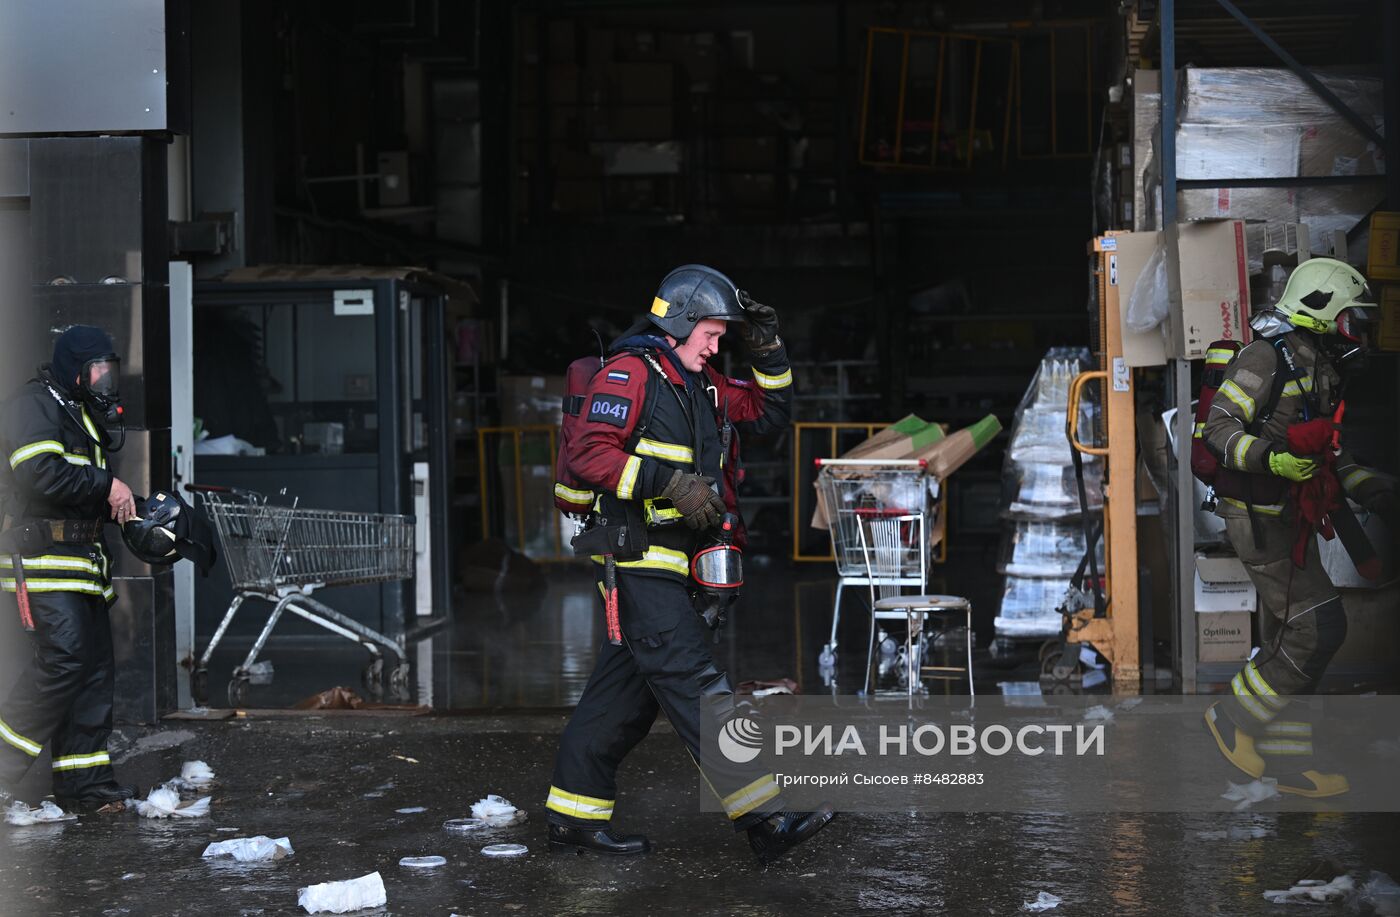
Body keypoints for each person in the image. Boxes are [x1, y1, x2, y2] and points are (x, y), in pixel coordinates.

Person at [545, 264, 835, 863]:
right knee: (698, 684)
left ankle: (574, 817)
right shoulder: (630, 374)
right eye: (710, 331)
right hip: (639, 561)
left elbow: (770, 412)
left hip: (678, 565)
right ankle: (766, 816)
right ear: (676, 322)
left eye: (724, 335)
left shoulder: (699, 385)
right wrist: (669, 483)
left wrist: (768, 346)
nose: (716, 343)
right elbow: (586, 456)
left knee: (620, 701)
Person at [1201, 258, 1394, 798]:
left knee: (1290, 636)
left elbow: (1330, 453)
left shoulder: (1319, 367)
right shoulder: (1266, 357)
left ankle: (1287, 767)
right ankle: (1232, 716)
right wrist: (1272, 462)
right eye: (1351, 319)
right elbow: (1219, 428)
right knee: (1321, 627)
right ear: (1321, 310)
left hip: (1291, 520)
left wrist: (1373, 489)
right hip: (1258, 521)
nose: (1357, 332)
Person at [0, 325, 139, 812]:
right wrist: (107, 485)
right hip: (41, 564)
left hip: (80, 566)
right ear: (73, 368)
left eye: (110, 369)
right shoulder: (33, 405)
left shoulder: (76, 411)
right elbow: (39, 473)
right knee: (65, 662)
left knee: (93, 671)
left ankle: (86, 784)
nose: (105, 379)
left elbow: (89, 490)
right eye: (97, 369)